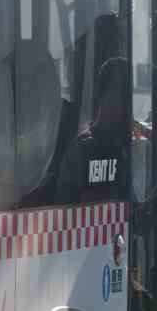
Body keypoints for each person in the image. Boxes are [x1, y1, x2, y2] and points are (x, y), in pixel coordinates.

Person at [57, 57, 129, 202]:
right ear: (106, 96)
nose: (129, 106)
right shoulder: (84, 149)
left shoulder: (124, 146)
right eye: (124, 96)